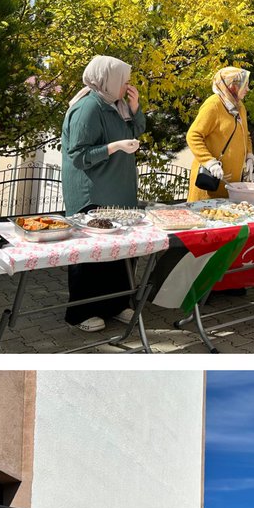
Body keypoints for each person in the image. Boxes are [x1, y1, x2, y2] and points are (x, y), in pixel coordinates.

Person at [60, 56, 145, 332]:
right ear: (107, 81)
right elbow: (78, 155)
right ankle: (82, 311)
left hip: (118, 191)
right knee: (92, 254)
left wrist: (135, 108)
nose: (127, 85)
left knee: (118, 253)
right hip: (93, 194)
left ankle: (116, 303)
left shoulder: (116, 105)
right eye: (123, 81)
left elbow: (137, 130)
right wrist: (113, 147)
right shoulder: (88, 108)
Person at [186, 67, 254, 201]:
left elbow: (245, 135)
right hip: (210, 183)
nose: (248, 89)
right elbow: (193, 136)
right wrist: (209, 162)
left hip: (230, 185)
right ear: (233, 86)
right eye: (245, 85)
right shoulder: (213, 105)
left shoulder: (240, 107)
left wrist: (249, 156)